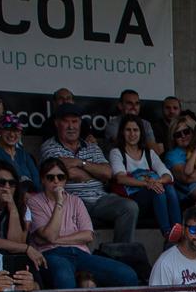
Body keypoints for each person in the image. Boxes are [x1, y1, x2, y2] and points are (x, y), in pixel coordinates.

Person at [27, 156, 141, 292]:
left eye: (61, 177)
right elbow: (47, 235)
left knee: (128, 275)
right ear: (42, 180)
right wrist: (59, 204)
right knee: (66, 280)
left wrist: (56, 239)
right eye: (51, 177)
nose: (56, 182)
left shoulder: (76, 201)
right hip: (51, 254)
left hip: (79, 254)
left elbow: (87, 235)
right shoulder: (34, 202)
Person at [40, 105, 137, 245]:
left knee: (129, 207)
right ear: (57, 123)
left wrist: (80, 162)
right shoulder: (49, 146)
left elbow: (108, 173)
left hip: (100, 199)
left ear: (80, 123)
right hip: (72, 200)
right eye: (66, 122)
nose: (71, 126)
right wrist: (95, 173)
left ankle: (121, 253)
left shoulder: (91, 146)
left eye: (74, 121)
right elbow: (66, 172)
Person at [110, 115, 180, 238]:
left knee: (169, 188)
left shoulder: (149, 153)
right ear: (122, 132)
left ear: (141, 132)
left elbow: (168, 175)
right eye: (128, 130)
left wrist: (158, 181)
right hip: (134, 202)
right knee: (157, 190)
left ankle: (178, 230)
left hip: (155, 200)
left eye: (135, 130)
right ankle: (167, 232)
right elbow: (121, 178)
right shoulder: (116, 152)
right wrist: (148, 183)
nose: (132, 134)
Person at [0, 113, 41, 192]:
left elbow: (36, 179)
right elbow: (3, 181)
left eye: (16, 130)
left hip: (32, 197)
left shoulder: (23, 154)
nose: (12, 134)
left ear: (20, 133)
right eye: (7, 129)